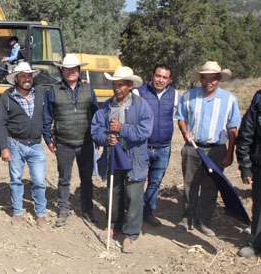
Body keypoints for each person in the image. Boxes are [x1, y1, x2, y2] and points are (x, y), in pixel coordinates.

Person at [175, 61, 241, 236]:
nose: (208, 82)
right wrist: (185, 132)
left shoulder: (229, 100)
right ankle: (186, 219)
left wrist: (230, 152)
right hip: (193, 148)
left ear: (219, 79)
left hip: (217, 149)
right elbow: (181, 117)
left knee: (211, 186)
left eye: (213, 78)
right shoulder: (189, 96)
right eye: (205, 78)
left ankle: (204, 221)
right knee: (190, 184)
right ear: (201, 79)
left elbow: (233, 129)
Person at [91, 66, 153, 253]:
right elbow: (96, 129)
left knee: (134, 196)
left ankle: (131, 234)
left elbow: (145, 131)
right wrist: (105, 138)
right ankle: (114, 225)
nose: (116, 88)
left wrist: (121, 129)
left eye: (121, 85)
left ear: (130, 85)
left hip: (135, 159)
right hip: (114, 158)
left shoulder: (141, 105)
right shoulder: (107, 106)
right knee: (114, 192)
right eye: (114, 84)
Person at [43, 54, 99, 226]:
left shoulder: (88, 89)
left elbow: (96, 114)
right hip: (64, 141)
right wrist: (49, 140)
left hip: (86, 141)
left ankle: (87, 209)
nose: (70, 72)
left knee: (87, 178)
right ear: (62, 71)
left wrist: (97, 135)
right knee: (64, 178)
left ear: (79, 70)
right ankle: (64, 209)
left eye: (74, 69)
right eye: (67, 69)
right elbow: (47, 118)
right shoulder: (53, 91)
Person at [0, 62, 48, 229]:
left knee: (40, 181)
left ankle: (40, 213)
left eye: (29, 76)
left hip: (36, 144)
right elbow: (1, 123)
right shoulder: (7, 97)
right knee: (16, 180)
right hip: (15, 144)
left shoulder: (40, 92)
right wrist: (4, 147)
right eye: (23, 76)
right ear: (16, 78)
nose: (27, 79)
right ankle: (17, 212)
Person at [132, 64, 179, 227]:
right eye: (158, 76)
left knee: (155, 182)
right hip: (142, 146)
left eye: (165, 77)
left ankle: (148, 212)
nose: (161, 80)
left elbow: (185, 115)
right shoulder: (139, 92)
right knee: (137, 181)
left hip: (164, 148)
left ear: (169, 80)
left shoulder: (174, 94)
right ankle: (134, 214)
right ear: (152, 76)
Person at [236, 90, 261, 258]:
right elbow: (245, 136)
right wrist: (245, 166)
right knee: (259, 206)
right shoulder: (258, 104)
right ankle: (255, 243)